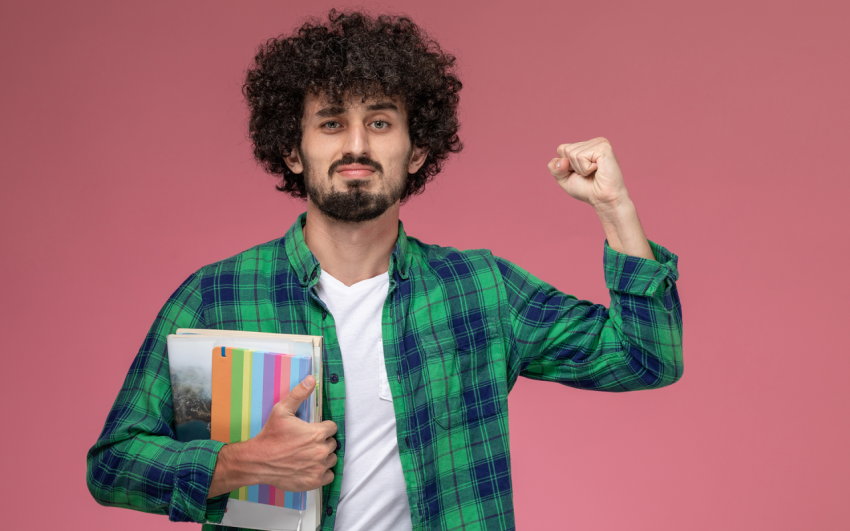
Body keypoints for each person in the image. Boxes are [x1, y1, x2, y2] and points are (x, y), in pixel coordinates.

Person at [86, 9, 683, 531]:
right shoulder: (217, 295)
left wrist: (615, 209)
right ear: (293, 152)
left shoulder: (480, 290)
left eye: (379, 123)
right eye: (329, 123)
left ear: (415, 150)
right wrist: (239, 464)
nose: (356, 147)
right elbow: (112, 466)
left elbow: (646, 358)